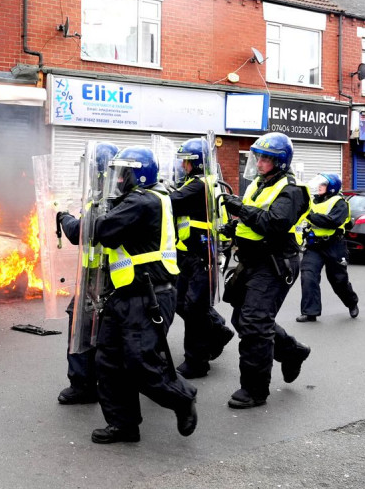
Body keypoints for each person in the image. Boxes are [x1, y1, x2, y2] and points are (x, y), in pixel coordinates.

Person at [89, 145, 198, 443]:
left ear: (138, 175)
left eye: (124, 173)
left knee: (140, 363)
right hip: (124, 294)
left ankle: (181, 397)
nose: (119, 179)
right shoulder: (135, 200)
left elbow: (101, 231)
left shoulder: (143, 202)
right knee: (109, 361)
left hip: (147, 296)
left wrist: (68, 221)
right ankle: (123, 424)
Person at [220, 132, 312, 409]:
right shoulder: (258, 185)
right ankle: (292, 351)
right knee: (241, 319)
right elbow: (252, 222)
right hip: (251, 261)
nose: (259, 163)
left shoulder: (291, 191)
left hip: (274, 263)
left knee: (255, 325)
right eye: (257, 157)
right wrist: (233, 229)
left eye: (266, 159)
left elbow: (273, 224)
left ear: (280, 163)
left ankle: (255, 390)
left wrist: (240, 210)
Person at [55, 142, 118, 405]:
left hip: (100, 278)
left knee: (81, 328)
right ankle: (106, 383)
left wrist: (63, 217)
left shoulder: (106, 200)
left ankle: (83, 385)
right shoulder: (113, 196)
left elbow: (81, 231)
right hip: (110, 276)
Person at [169, 138, 234, 378]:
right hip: (188, 253)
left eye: (186, 161)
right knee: (181, 303)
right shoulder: (194, 183)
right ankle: (218, 330)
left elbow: (171, 202)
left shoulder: (200, 184)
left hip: (201, 255)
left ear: (196, 163)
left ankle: (196, 362)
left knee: (195, 309)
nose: (182, 165)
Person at [296, 173, 359, 322]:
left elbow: (332, 221)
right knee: (308, 275)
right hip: (314, 246)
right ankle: (310, 312)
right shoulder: (312, 202)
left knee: (338, 280)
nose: (319, 187)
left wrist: (310, 215)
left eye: (323, 185)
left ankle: (352, 302)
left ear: (331, 188)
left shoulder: (340, 203)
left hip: (334, 245)